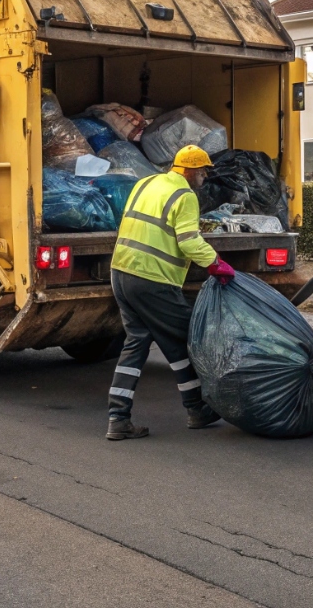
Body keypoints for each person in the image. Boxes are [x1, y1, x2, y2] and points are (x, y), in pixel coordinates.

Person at [105, 144, 235, 440]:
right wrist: (216, 264)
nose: (205, 176)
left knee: (139, 343)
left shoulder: (145, 182)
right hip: (152, 279)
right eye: (202, 170)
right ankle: (196, 407)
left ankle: (119, 417)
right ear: (188, 170)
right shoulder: (185, 196)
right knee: (190, 334)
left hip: (121, 273)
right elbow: (188, 241)